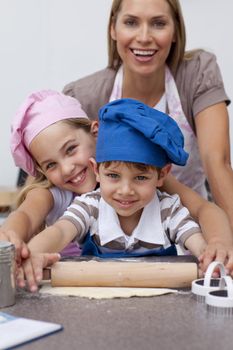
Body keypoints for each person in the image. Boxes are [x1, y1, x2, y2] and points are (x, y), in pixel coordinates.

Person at [63, 0, 233, 232]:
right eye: (131, 22)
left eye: (158, 23)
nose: (144, 37)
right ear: (113, 28)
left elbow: (217, 160)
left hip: (191, 229)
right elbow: (49, 177)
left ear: (175, 31)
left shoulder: (197, 74)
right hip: (114, 240)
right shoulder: (85, 95)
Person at [20, 98, 207, 292]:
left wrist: (207, 256)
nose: (125, 190)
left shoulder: (168, 211)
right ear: (97, 170)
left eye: (140, 178)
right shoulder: (90, 206)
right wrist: (35, 252)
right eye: (113, 176)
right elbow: (60, 231)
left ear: (162, 175)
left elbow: (196, 241)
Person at [0, 90, 98, 264]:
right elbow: (26, 216)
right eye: (51, 165)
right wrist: (9, 234)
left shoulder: (124, 181)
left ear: (94, 133)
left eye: (70, 149)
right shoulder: (54, 193)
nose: (67, 169)